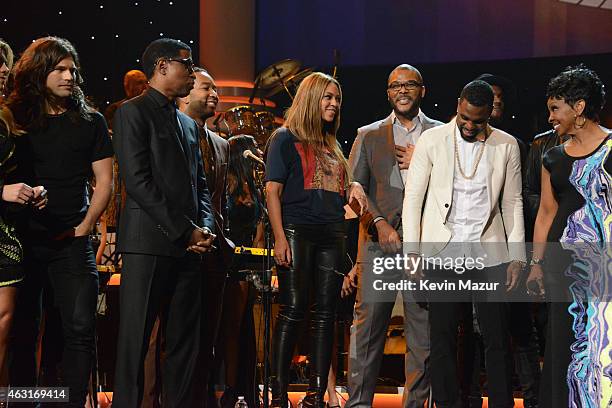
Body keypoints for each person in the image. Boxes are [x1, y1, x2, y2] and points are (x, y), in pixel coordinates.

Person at [403, 80, 526, 408]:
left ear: (491, 114)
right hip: (442, 252)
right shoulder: (432, 140)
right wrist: (412, 252)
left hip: (489, 251)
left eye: (478, 121)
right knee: (442, 338)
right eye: (464, 118)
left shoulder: (507, 145)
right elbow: (413, 198)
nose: (470, 126)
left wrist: (517, 257)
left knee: (497, 338)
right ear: (458, 105)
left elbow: (512, 202)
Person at [7, 36, 113, 407]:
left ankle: (67, 402)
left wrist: (86, 225)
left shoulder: (90, 121)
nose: (70, 76)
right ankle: (25, 401)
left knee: (79, 329)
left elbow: (105, 182)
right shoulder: (14, 117)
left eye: (73, 70)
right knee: (24, 331)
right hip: (23, 240)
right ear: (40, 72)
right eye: (60, 69)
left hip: (72, 239)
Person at [112, 38, 215, 408]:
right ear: (162, 67)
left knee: (184, 343)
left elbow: (199, 184)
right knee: (135, 342)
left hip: (188, 248)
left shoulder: (187, 125)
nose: (192, 71)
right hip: (147, 245)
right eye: (186, 64)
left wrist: (205, 227)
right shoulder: (131, 112)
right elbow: (138, 182)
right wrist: (185, 230)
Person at [265, 72, 367, 408]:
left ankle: (316, 394)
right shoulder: (284, 137)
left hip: (332, 233)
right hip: (297, 230)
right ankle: (279, 394)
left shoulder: (333, 144)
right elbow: (273, 191)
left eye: (337, 99)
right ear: (311, 99)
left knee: (326, 314)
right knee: (293, 309)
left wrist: (353, 186)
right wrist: (280, 237)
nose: (334, 104)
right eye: (327, 97)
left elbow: (342, 186)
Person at [346, 63, 441, 408]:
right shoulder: (369, 134)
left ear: (422, 90)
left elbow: (453, 191)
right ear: (388, 93)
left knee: (423, 336)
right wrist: (379, 223)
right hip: (377, 247)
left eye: (409, 84)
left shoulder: (441, 135)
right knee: (367, 333)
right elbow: (354, 189)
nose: (402, 90)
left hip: (423, 248)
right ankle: (358, 404)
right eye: (395, 86)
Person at [526, 65, 611, 408]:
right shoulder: (552, 156)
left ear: (578, 108)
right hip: (564, 268)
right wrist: (535, 265)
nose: (550, 118)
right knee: (563, 344)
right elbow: (547, 212)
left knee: (603, 342)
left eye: (555, 109)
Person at [179, 66, 235, 408]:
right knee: (171, 337)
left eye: (216, 89)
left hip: (214, 249)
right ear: (186, 93)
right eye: (206, 88)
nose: (214, 94)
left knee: (208, 336)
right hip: (178, 244)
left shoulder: (222, 144)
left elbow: (217, 200)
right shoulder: (170, 132)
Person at [0, 38, 48, 396]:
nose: (4, 69)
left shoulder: (8, 117)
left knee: (5, 324)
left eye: (6, 63)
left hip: (7, 235)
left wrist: (34, 192)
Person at [214, 134, 264, 408]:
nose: (259, 151)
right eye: (255, 148)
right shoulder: (228, 183)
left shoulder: (254, 188)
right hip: (229, 264)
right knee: (231, 328)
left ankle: (247, 386)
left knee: (246, 329)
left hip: (249, 265)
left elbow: (258, 230)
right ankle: (231, 389)